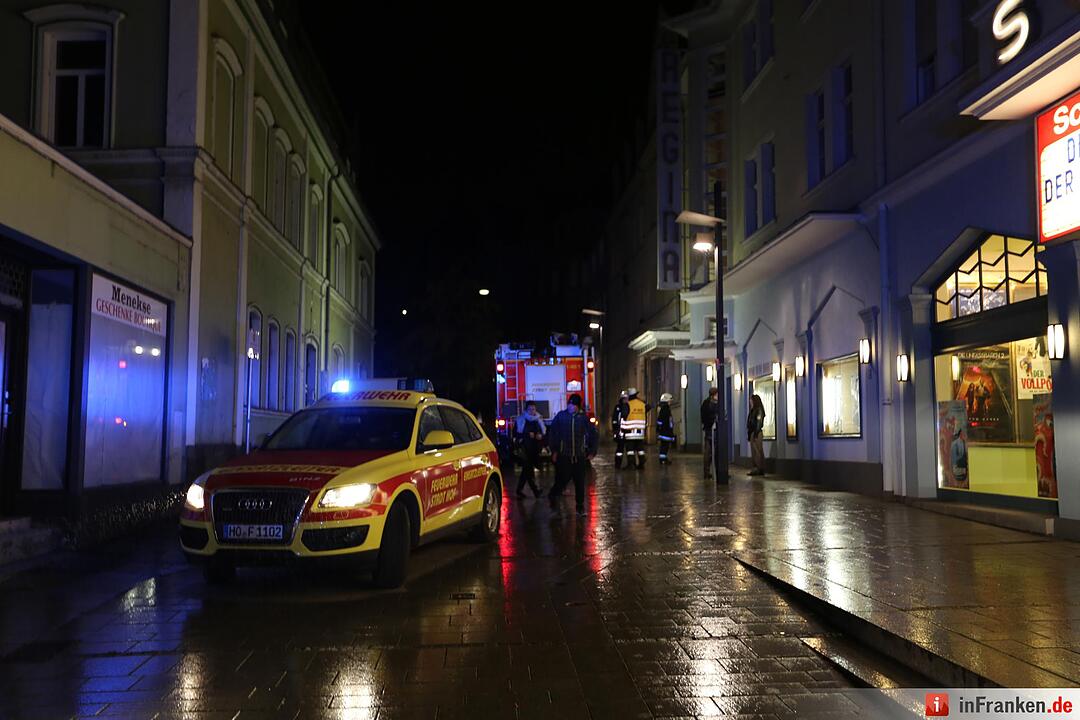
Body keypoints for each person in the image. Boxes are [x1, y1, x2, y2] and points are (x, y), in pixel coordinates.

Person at [547, 393, 598, 514]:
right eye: (570, 404)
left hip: (579, 456)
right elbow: (552, 434)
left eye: (574, 405)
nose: (571, 407)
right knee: (562, 480)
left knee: (580, 482)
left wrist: (592, 451)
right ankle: (553, 495)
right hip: (564, 456)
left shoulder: (583, 418)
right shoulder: (561, 417)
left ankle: (580, 507)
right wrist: (554, 451)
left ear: (578, 407)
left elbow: (593, 435)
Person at [514, 401, 545, 498]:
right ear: (526, 410)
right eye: (530, 409)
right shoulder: (521, 420)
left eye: (534, 409)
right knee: (528, 470)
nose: (532, 411)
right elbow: (515, 434)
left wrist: (540, 435)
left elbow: (542, 431)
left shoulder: (538, 420)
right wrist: (527, 435)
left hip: (534, 449)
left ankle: (519, 490)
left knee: (526, 471)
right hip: (524, 449)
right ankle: (536, 491)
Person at [620, 388, 648, 469]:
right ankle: (642, 463)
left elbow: (624, 417)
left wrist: (622, 431)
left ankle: (631, 465)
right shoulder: (642, 404)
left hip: (630, 432)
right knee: (640, 449)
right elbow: (648, 408)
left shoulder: (627, 404)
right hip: (640, 432)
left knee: (630, 450)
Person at [701, 387, 719, 479]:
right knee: (708, 452)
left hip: (715, 430)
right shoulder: (707, 404)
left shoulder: (715, 403)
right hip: (710, 430)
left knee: (715, 452)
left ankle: (716, 471)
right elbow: (705, 417)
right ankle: (707, 471)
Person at [747, 394, 766, 476]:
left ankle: (759, 468)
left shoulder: (758, 410)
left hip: (756, 432)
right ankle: (756, 468)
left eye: (751, 400)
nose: (750, 402)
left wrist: (755, 433)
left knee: (757, 451)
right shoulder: (753, 410)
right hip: (753, 432)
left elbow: (758, 422)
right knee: (754, 451)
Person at [611, 390, 629, 468]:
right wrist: (615, 430)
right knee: (620, 449)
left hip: (628, 430)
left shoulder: (629, 406)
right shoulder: (618, 407)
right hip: (620, 431)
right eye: (625, 398)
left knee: (629, 449)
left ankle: (630, 464)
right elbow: (615, 419)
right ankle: (617, 464)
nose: (626, 400)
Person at [656, 393, 676, 464]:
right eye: (670, 401)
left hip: (664, 430)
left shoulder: (664, 408)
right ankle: (663, 460)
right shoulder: (665, 409)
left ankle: (663, 458)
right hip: (665, 431)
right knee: (665, 446)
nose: (670, 402)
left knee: (664, 446)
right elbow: (662, 420)